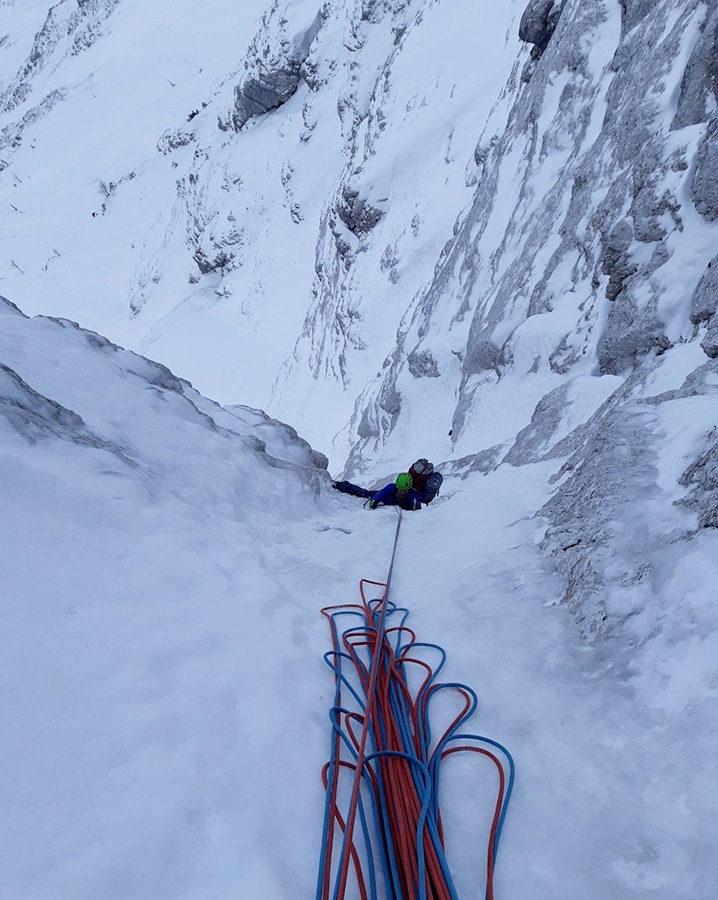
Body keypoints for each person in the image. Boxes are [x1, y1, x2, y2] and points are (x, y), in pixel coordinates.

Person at [332, 473, 421, 510]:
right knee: (364, 493)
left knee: (365, 493)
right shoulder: (391, 488)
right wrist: (375, 501)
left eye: (404, 491)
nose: (402, 492)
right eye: (400, 490)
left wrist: (415, 507)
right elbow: (382, 493)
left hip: (388, 501)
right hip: (385, 499)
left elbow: (416, 504)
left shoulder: (412, 495)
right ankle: (341, 485)